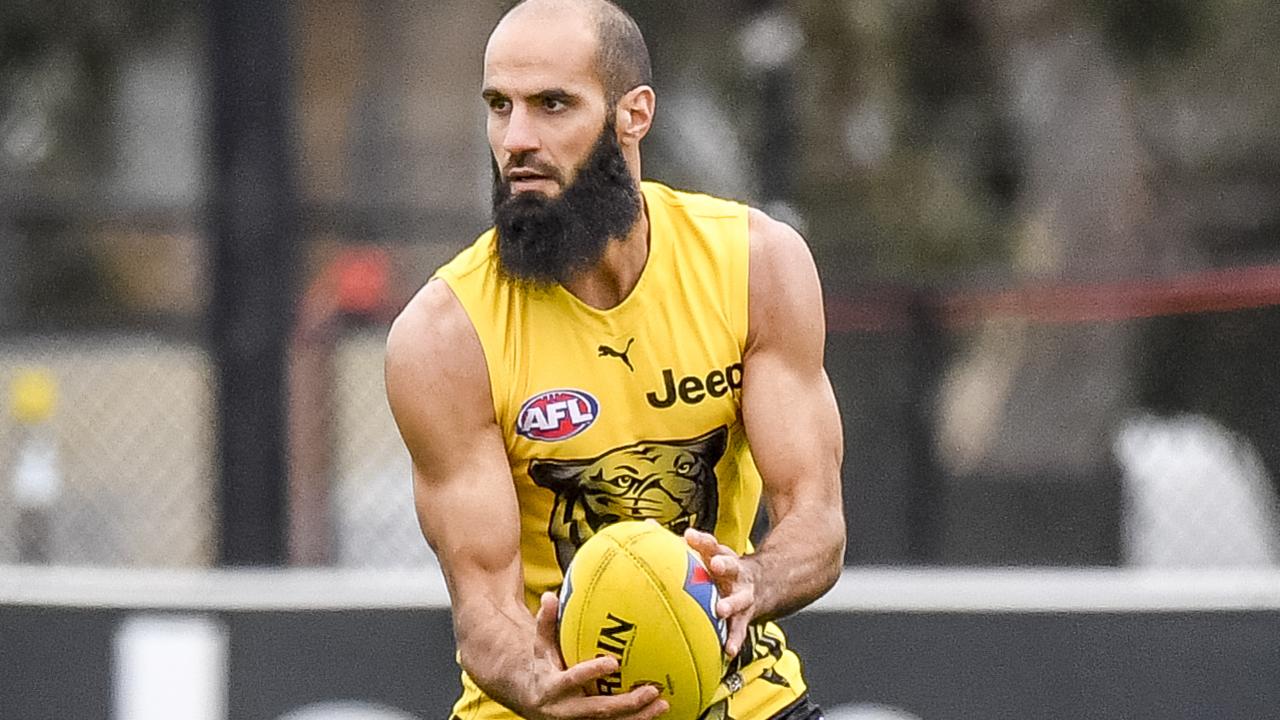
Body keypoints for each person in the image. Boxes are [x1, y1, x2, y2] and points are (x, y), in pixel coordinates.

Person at [384, 1, 845, 718]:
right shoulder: (445, 337)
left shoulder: (756, 266)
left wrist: (750, 580)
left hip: (743, 698)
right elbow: (483, 608)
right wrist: (535, 679)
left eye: (553, 105)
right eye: (499, 106)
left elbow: (815, 522)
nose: (517, 139)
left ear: (634, 114)